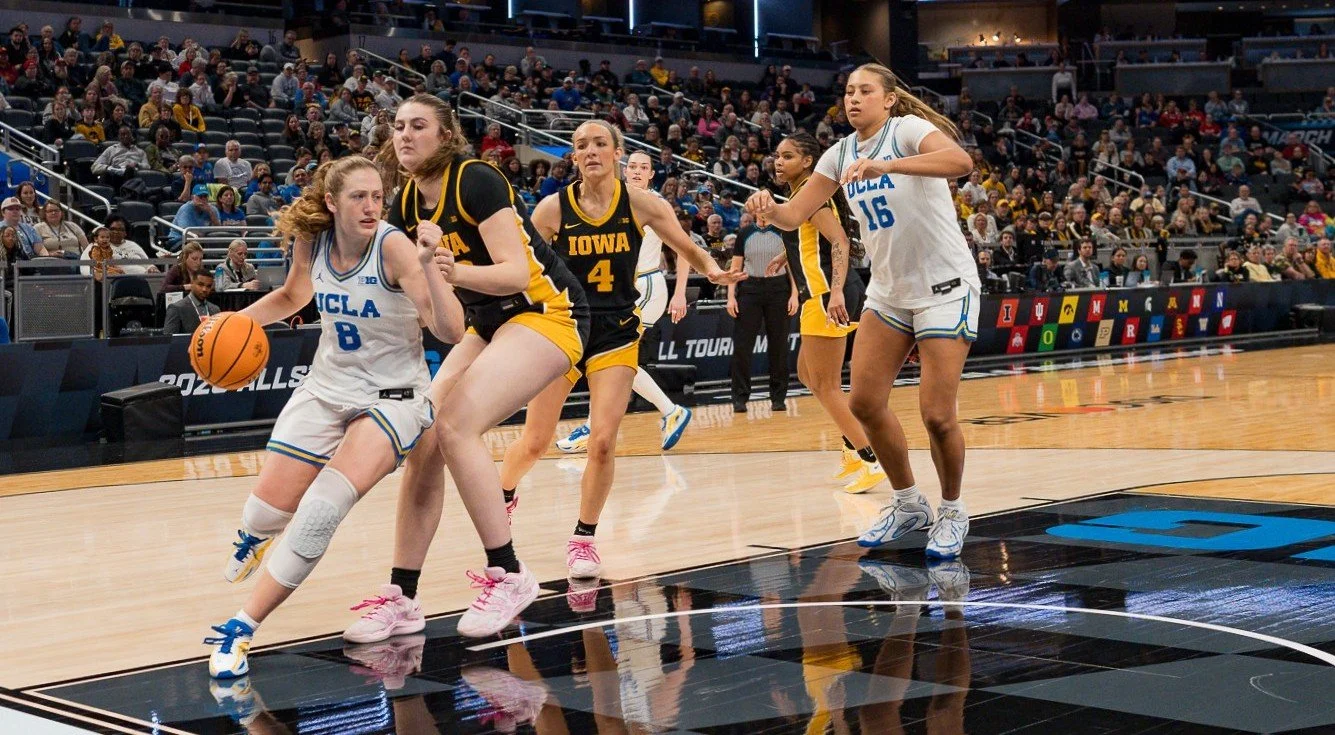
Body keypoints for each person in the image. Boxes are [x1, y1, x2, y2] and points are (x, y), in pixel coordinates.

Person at [335, 94, 589, 643]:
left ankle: (510, 573)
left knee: (455, 423)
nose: (405, 135)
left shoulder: (476, 179)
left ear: (445, 134)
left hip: (549, 313)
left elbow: (518, 273)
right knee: (425, 434)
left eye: (418, 126)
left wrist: (456, 270)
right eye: (399, 126)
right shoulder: (405, 203)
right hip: (486, 324)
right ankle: (402, 595)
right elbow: (428, 301)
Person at [205, 156, 465, 679]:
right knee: (263, 512)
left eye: (378, 197)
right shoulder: (312, 239)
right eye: (358, 197)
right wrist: (231, 321)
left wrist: (435, 270)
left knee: (322, 510)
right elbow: (293, 296)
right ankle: (257, 535)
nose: (372, 207)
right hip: (326, 388)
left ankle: (242, 627)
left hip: (392, 397)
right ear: (331, 201)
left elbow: (451, 329)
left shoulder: (393, 247)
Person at [745, 63, 978, 559]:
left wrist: (889, 165)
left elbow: (960, 163)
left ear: (889, 99)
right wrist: (768, 207)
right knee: (864, 403)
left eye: (865, 91)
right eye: (848, 91)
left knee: (937, 415)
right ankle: (909, 503)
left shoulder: (908, 131)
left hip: (945, 287)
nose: (853, 99)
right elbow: (793, 214)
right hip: (889, 292)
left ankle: (953, 509)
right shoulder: (838, 152)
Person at [497, 121, 741, 587]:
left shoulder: (644, 204)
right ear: (573, 156)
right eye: (582, 145)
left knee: (603, 441)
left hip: (616, 332)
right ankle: (504, 493)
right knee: (534, 442)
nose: (591, 151)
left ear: (618, 153)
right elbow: (520, 263)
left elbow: (685, 244)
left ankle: (584, 538)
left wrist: (712, 268)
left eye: (600, 144)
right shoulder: (552, 209)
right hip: (565, 329)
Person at [759, 132, 883, 493]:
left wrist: (837, 292)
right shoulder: (800, 198)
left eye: (787, 156)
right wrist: (787, 254)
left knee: (826, 384)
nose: (778, 162)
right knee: (807, 375)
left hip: (829, 294)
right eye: (777, 156)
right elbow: (809, 239)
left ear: (808, 162)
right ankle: (850, 446)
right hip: (820, 295)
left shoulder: (814, 200)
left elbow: (840, 242)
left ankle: (869, 458)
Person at [556, 150, 698, 454]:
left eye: (643, 167)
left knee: (616, 357)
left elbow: (685, 249)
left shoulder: (657, 204)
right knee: (605, 357)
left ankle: (667, 411)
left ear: (651, 175)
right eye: (632, 166)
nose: (636, 171)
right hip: (620, 287)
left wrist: (680, 293)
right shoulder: (614, 199)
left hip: (646, 285)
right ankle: (604, 425)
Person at [728, 213, 791, 412]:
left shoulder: (782, 232)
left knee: (779, 345)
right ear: (755, 211)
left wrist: (795, 295)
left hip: (779, 288)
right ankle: (739, 397)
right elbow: (735, 267)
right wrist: (731, 296)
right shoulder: (744, 233)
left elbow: (792, 267)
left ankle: (778, 397)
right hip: (750, 288)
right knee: (742, 346)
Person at [162, 268, 219, 334]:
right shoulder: (176, 309)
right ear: (192, 283)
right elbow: (170, 340)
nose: (204, 289)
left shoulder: (215, 310)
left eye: (208, 286)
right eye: (200, 285)